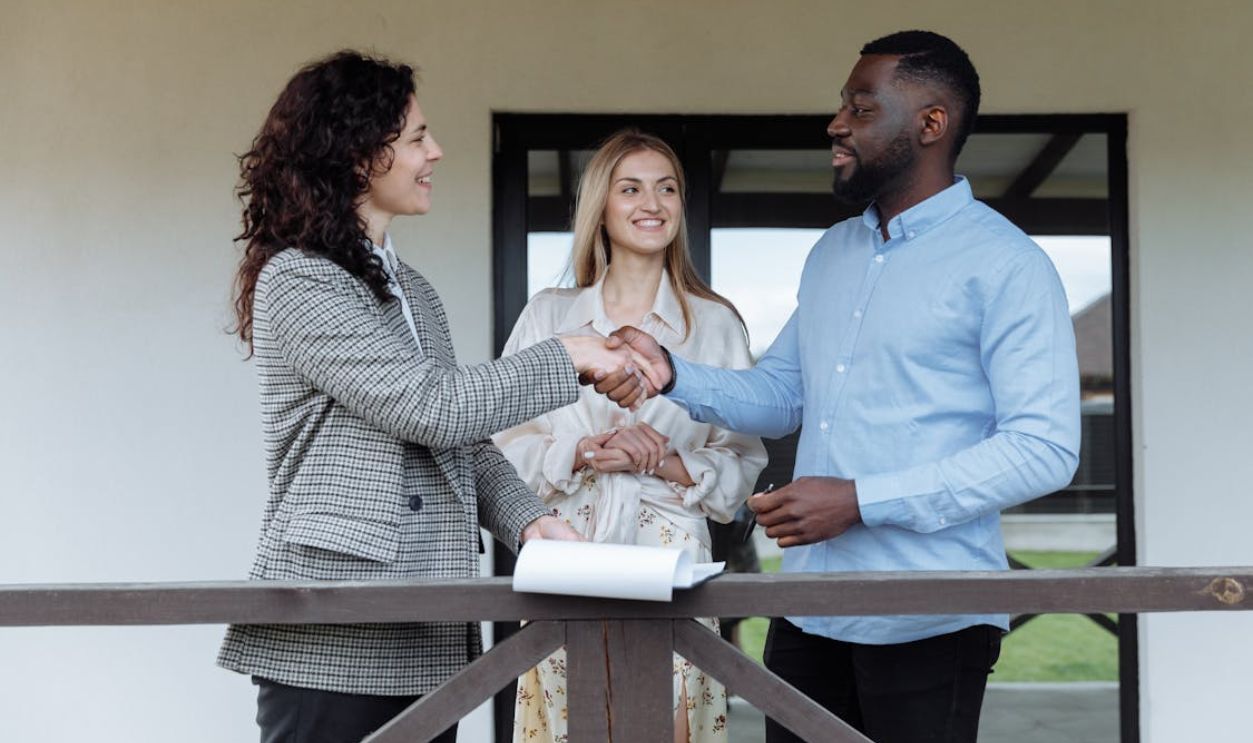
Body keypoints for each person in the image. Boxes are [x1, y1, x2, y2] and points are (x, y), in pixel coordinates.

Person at [599, 31, 1081, 743]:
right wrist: (671, 373)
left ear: (930, 123)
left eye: (859, 107)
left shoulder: (1008, 265)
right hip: (807, 612)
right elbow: (783, 394)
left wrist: (859, 500)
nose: (836, 123)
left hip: (931, 617)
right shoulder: (832, 253)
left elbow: (1043, 448)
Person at [215, 51, 650, 743]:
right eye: (417, 137)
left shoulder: (413, 289)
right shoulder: (298, 280)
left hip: (426, 625)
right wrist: (568, 352)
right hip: (335, 629)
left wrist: (531, 524)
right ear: (358, 154)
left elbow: (457, 438)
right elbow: (429, 404)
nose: (436, 152)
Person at [494, 130, 767, 743]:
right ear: (602, 205)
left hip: (671, 556)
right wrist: (583, 451)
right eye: (632, 188)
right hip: (568, 547)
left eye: (667, 188)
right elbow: (500, 450)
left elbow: (744, 459)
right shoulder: (548, 315)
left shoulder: (714, 323)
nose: (654, 202)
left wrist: (668, 461)